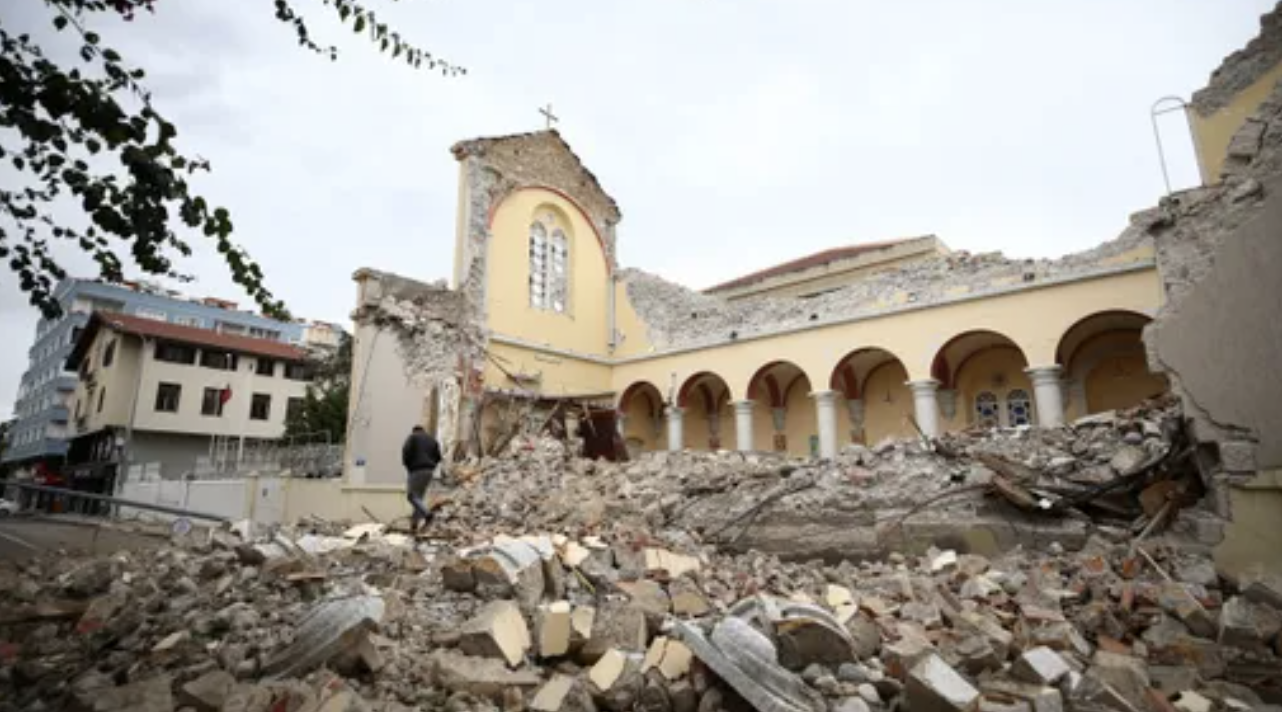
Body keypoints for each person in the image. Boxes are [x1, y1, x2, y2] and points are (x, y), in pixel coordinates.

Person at [401, 425, 442, 535]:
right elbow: (438, 457)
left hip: (416, 470)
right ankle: (414, 525)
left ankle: (428, 515)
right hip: (429, 472)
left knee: (411, 496)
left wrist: (408, 467)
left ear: (414, 430)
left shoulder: (413, 437)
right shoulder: (432, 440)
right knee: (418, 499)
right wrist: (431, 466)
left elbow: (406, 453)